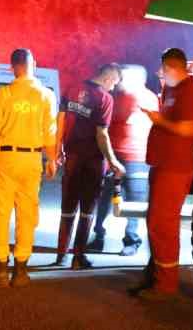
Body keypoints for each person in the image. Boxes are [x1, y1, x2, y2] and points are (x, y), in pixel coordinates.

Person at [0, 48, 57, 288]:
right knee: (27, 215)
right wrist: (51, 160)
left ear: (12, 67)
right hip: (32, 161)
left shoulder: (5, 93)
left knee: (0, 214)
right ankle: (21, 270)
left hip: (6, 158)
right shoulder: (46, 95)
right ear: (35, 65)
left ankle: (0, 269)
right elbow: (49, 132)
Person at [130, 48, 193, 301]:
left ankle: (166, 285)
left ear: (173, 67)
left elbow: (190, 128)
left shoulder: (190, 91)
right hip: (163, 164)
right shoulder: (172, 89)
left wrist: (159, 121)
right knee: (156, 222)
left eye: (164, 69)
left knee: (163, 225)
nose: (162, 74)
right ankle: (155, 274)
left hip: (175, 167)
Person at [52, 66, 125, 268]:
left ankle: (60, 255)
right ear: (109, 77)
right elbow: (102, 134)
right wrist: (113, 160)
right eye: (114, 83)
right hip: (93, 161)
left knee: (67, 206)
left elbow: (60, 119)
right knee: (87, 209)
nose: (113, 87)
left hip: (72, 156)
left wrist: (58, 147)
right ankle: (78, 257)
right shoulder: (105, 99)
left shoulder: (73, 87)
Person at [102, 63, 157, 257]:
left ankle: (130, 240)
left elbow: (113, 118)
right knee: (108, 197)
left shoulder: (139, 97)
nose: (120, 81)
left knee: (133, 201)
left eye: (123, 77)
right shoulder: (122, 97)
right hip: (117, 155)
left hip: (136, 158)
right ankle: (102, 235)